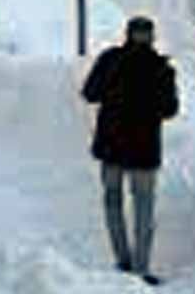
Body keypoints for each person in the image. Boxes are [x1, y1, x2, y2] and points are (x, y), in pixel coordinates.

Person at [81, 15, 179, 287]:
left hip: (111, 146)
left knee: (113, 202)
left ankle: (122, 260)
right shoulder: (161, 68)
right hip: (144, 151)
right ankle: (141, 268)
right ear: (152, 37)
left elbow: (89, 94)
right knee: (144, 208)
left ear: (126, 34)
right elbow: (170, 110)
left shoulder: (110, 59)